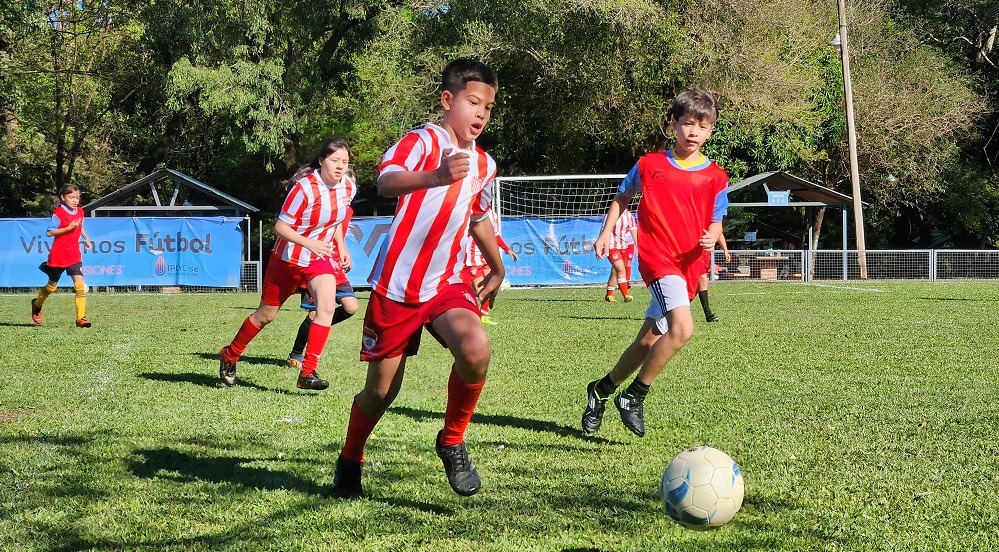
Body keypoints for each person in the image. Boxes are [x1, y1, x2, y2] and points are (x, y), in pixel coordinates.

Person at [330, 59, 504, 499]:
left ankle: (452, 440)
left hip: (447, 281)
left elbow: (476, 214)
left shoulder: (485, 164)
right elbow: (386, 182)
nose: (481, 114)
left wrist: (496, 266)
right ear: (448, 101)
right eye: (473, 102)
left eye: (489, 106)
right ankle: (351, 459)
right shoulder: (424, 142)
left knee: (476, 349)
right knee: (382, 392)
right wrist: (437, 175)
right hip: (397, 288)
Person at [582, 89, 729, 438]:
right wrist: (605, 233)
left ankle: (600, 391)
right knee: (683, 329)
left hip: (689, 265)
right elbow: (623, 197)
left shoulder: (716, 176)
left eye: (701, 126)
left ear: (711, 131)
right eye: (687, 124)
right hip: (658, 259)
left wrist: (711, 234)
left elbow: (717, 217)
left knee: (648, 342)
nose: (693, 132)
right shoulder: (649, 165)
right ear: (673, 125)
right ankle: (634, 396)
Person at [218, 138, 357, 391]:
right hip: (288, 260)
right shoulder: (304, 188)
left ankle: (308, 371)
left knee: (326, 306)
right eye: (335, 160)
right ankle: (230, 354)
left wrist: (341, 245)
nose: (340, 167)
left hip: (318, 259)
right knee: (266, 316)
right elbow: (280, 227)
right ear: (322, 161)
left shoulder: (347, 187)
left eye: (345, 162)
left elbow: (336, 220)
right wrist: (309, 243)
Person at [286, 170, 359, 371]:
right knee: (317, 312)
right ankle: (297, 353)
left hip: (335, 263)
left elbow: (338, 232)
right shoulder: (323, 203)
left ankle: (319, 329)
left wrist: (344, 250)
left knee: (351, 307)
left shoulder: (347, 209)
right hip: (317, 261)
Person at [31, 184, 95, 327]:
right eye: (71, 197)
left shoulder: (80, 212)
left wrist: (87, 238)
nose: (75, 200)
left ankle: (80, 319)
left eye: (77, 197)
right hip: (58, 255)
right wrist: (67, 228)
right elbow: (50, 232)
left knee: (79, 286)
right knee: (51, 287)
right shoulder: (58, 213)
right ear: (63, 197)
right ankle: (36, 304)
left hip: (74, 254)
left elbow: (79, 227)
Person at [465, 208, 518, 325]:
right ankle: (470, 314)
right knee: (478, 290)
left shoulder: (492, 215)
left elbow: (495, 235)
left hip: (487, 256)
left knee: (491, 285)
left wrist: (507, 249)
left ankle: (483, 315)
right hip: (473, 257)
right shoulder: (469, 211)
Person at [604, 207, 638, 302]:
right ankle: (626, 295)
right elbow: (604, 231)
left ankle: (609, 294)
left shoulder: (628, 215)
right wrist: (604, 246)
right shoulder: (610, 215)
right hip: (612, 247)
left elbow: (633, 229)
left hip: (624, 246)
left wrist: (637, 245)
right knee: (620, 269)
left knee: (617, 270)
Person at [697, 232, 730, 322]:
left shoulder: (712, 220)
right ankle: (674, 312)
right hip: (691, 252)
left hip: (704, 254)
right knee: (698, 281)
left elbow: (718, 233)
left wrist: (725, 250)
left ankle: (708, 314)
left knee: (702, 280)